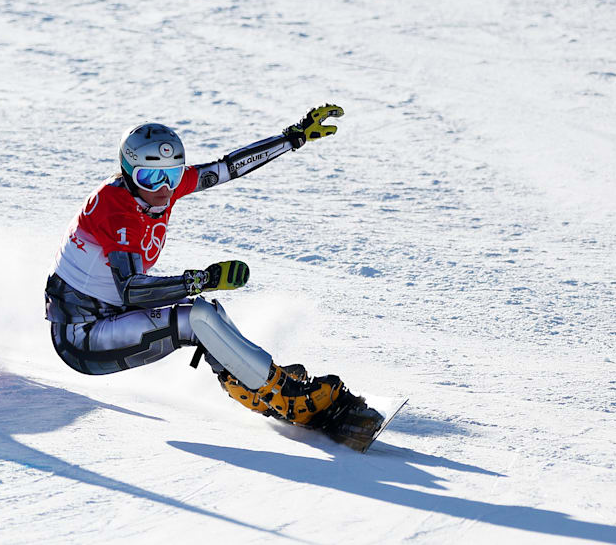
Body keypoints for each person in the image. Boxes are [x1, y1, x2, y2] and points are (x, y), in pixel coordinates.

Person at [44, 105, 384, 449]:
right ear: (128, 173)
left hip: (110, 314)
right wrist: (200, 279)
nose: (163, 190)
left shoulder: (155, 192)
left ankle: (262, 387)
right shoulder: (116, 209)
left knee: (211, 315)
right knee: (198, 317)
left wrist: (291, 138)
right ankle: (288, 397)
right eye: (150, 178)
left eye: (172, 177)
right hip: (82, 336)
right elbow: (132, 290)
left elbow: (225, 169)